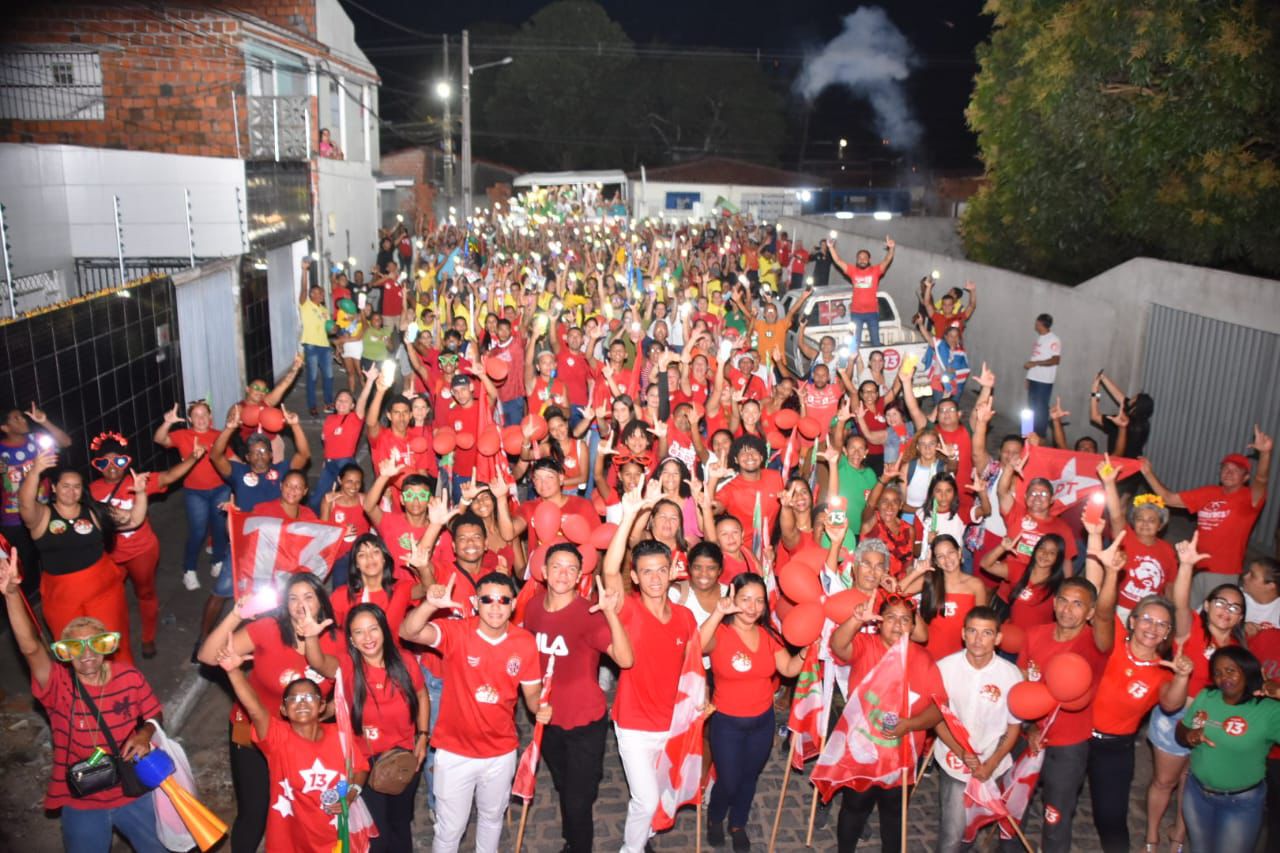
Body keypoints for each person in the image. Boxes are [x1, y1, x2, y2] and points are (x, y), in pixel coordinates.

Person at [0, 553, 165, 853]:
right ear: (65, 652)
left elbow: (153, 712)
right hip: (82, 800)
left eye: (97, 644)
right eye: (75, 647)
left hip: (133, 791)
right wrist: (12, 594)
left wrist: (145, 733)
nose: (87, 654)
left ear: (108, 647)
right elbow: (29, 647)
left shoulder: (128, 676)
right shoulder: (59, 685)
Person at [399, 572, 550, 853]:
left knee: (492, 819)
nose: (495, 606)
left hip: (501, 752)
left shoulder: (524, 642)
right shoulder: (457, 632)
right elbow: (408, 632)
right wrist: (430, 605)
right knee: (450, 829)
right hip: (455, 752)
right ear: (475, 602)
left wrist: (539, 706)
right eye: (487, 599)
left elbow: (531, 692)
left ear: (514, 604)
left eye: (503, 600)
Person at [197, 573, 342, 853]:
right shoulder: (268, 629)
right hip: (253, 731)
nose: (300, 605)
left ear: (321, 603)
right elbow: (207, 656)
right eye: (293, 598)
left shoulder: (336, 640)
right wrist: (237, 614)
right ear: (285, 605)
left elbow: (350, 685)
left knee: (303, 810)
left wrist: (330, 711)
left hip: (302, 741)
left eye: (309, 597)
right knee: (255, 811)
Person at [601, 485, 699, 853]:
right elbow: (611, 569)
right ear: (637, 577)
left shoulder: (686, 617)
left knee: (658, 796)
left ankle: (646, 837)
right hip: (634, 726)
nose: (655, 578)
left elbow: (694, 666)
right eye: (647, 572)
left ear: (672, 570)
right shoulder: (627, 608)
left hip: (671, 726)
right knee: (643, 800)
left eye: (662, 570)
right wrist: (629, 518)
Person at [1082, 530, 1193, 853]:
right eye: (1146, 619)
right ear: (1132, 621)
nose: (1152, 628)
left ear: (1167, 635)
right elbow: (1099, 604)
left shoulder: (1163, 670)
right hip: (1075, 735)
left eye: (1162, 625)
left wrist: (1183, 678)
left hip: (1115, 749)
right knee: (1050, 799)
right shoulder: (1112, 637)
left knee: (1112, 818)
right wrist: (1098, 552)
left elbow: (1171, 705)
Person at [521, 543, 634, 853]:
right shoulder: (531, 608)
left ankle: (579, 845)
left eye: (572, 568)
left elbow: (625, 659)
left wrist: (611, 615)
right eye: (557, 566)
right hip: (548, 720)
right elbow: (525, 659)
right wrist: (532, 702)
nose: (563, 574)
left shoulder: (589, 613)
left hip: (586, 721)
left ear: (578, 577)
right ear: (543, 572)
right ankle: (572, 839)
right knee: (562, 785)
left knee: (578, 798)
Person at [300, 603, 429, 853]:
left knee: (400, 825)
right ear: (351, 638)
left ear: (384, 630)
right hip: (364, 765)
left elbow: (422, 695)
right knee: (377, 836)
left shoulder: (405, 661)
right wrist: (311, 636)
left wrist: (423, 736)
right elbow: (317, 661)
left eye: (373, 629)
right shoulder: (347, 666)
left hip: (405, 758)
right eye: (359, 632)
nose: (368, 638)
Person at [215, 644, 367, 853]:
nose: (301, 703)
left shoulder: (340, 736)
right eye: (293, 699)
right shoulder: (278, 739)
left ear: (322, 705)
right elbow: (256, 709)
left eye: (309, 697)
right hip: (293, 840)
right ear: (283, 710)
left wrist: (351, 794)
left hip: (338, 837)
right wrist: (234, 672)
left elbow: (360, 768)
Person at [699, 573, 807, 850]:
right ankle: (715, 817)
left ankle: (738, 824)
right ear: (732, 598)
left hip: (762, 722)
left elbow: (788, 669)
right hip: (727, 723)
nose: (752, 606)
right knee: (730, 779)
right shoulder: (720, 633)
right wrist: (716, 613)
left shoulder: (768, 634)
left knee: (749, 777)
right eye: (745, 599)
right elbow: (697, 646)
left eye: (759, 600)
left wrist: (806, 651)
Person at [829, 594, 945, 852]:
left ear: (914, 627)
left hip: (901, 758)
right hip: (861, 754)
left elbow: (938, 710)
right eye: (891, 617)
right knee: (853, 809)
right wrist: (855, 620)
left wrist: (911, 724)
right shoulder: (865, 645)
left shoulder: (924, 660)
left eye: (905, 620)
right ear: (879, 623)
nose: (898, 625)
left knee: (893, 818)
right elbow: (838, 645)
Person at [20, 450, 150, 666]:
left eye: (77, 486)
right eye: (65, 486)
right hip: (62, 596)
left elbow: (134, 520)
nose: (71, 492)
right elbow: (25, 505)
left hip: (103, 591)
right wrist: (35, 472)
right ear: (53, 488)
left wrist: (141, 494)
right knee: (74, 649)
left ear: (83, 490)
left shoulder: (95, 511)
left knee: (111, 644)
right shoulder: (41, 516)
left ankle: (121, 686)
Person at [87, 431, 204, 658]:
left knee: (146, 592)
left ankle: (148, 636)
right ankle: (112, 639)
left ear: (127, 461)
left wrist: (193, 458)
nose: (112, 467)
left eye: (119, 461)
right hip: (109, 554)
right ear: (96, 465)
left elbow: (169, 477)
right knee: (107, 597)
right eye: (104, 462)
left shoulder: (137, 481)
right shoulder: (91, 491)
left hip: (141, 551)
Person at [1016, 575, 1111, 853]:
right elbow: (1023, 684)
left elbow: (1106, 620)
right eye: (1063, 601)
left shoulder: (1094, 645)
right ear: (1054, 603)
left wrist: (1110, 572)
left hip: (1068, 746)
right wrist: (1030, 727)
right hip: (1028, 737)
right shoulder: (1034, 635)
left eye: (1078, 604)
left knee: (1055, 818)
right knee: (1013, 807)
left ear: (1091, 612)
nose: (1068, 609)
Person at [1141, 426, 1272, 608]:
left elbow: (1262, 480)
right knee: (1184, 615)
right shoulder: (1209, 492)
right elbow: (1168, 498)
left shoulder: (1249, 499)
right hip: (1195, 567)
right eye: (1225, 468)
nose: (1229, 472)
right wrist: (1148, 472)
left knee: (1213, 622)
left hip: (1223, 572)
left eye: (1236, 470)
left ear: (1246, 477)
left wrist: (1265, 454)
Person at [932, 606, 1024, 853]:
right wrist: (960, 751)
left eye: (986, 633)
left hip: (991, 764)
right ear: (963, 633)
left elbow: (1014, 726)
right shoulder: (944, 668)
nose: (978, 639)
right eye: (972, 631)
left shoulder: (1011, 675)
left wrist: (992, 764)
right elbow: (936, 718)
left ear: (998, 638)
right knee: (951, 834)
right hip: (955, 762)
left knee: (972, 827)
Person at [1176, 647, 1280, 853]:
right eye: (1218, 672)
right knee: (1199, 849)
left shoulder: (1268, 710)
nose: (1224, 677)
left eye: (1231, 670)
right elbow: (1182, 727)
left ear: (1247, 670)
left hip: (1241, 803)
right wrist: (1189, 735)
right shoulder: (1207, 696)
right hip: (1196, 794)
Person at [154, 400, 229, 591]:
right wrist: (168, 422)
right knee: (198, 531)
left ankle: (218, 560)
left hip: (221, 489)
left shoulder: (218, 435)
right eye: (196, 415)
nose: (201, 419)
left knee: (220, 528)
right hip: (195, 492)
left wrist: (247, 472)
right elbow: (160, 440)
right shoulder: (183, 435)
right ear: (189, 419)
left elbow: (231, 458)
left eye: (204, 414)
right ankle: (189, 569)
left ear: (210, 417)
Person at [2, 403, 73, 594]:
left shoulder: (37, 440)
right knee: (25, 561)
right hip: (13, 519)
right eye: (16, 418)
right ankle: (31, 599)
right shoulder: (1, 453)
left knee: (52, 552)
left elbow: (65, 442)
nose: (23, 420)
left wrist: (44, 421)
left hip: (44, 511)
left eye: (22, 416)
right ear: (4, 427)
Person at [829, 235, 895, 347]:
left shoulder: (875, 271)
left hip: (872, 313)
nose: (862, 260)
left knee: (876, 342)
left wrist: (891, 248)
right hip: (856, 313)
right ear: (857, 260)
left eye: (864, 258)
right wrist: (831, 247)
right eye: (859, 258)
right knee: (855, 342)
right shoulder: (852, 271)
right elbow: (838, 261)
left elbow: (887, 260)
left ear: (869, 260)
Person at [298, 257, 335, 417]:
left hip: (325, 346)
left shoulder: (325, 310)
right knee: (312, 378)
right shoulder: (306, 305)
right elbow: (304, 290)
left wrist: (334, 328)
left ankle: (328, 403)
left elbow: (330, 330)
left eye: (322, 293)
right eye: (319, 293)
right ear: (312, 294)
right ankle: (312, 405)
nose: (322, 295)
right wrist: (304, 270)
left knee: (329, 376)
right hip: (311, 345)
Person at [1023, 313, 1061, 438]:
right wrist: (1029, 377)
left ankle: (1039, 436)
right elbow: (1035, 357)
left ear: (1042, 324)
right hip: (1034, 378)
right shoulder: (1040, 338)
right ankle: (1027, 433)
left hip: (1044, 381)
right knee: (1030, 407)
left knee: (1040, 409)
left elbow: (1055, 360)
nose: (1035, 325)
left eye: (1037, 323)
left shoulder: (1054, 340)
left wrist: (1035, 363)